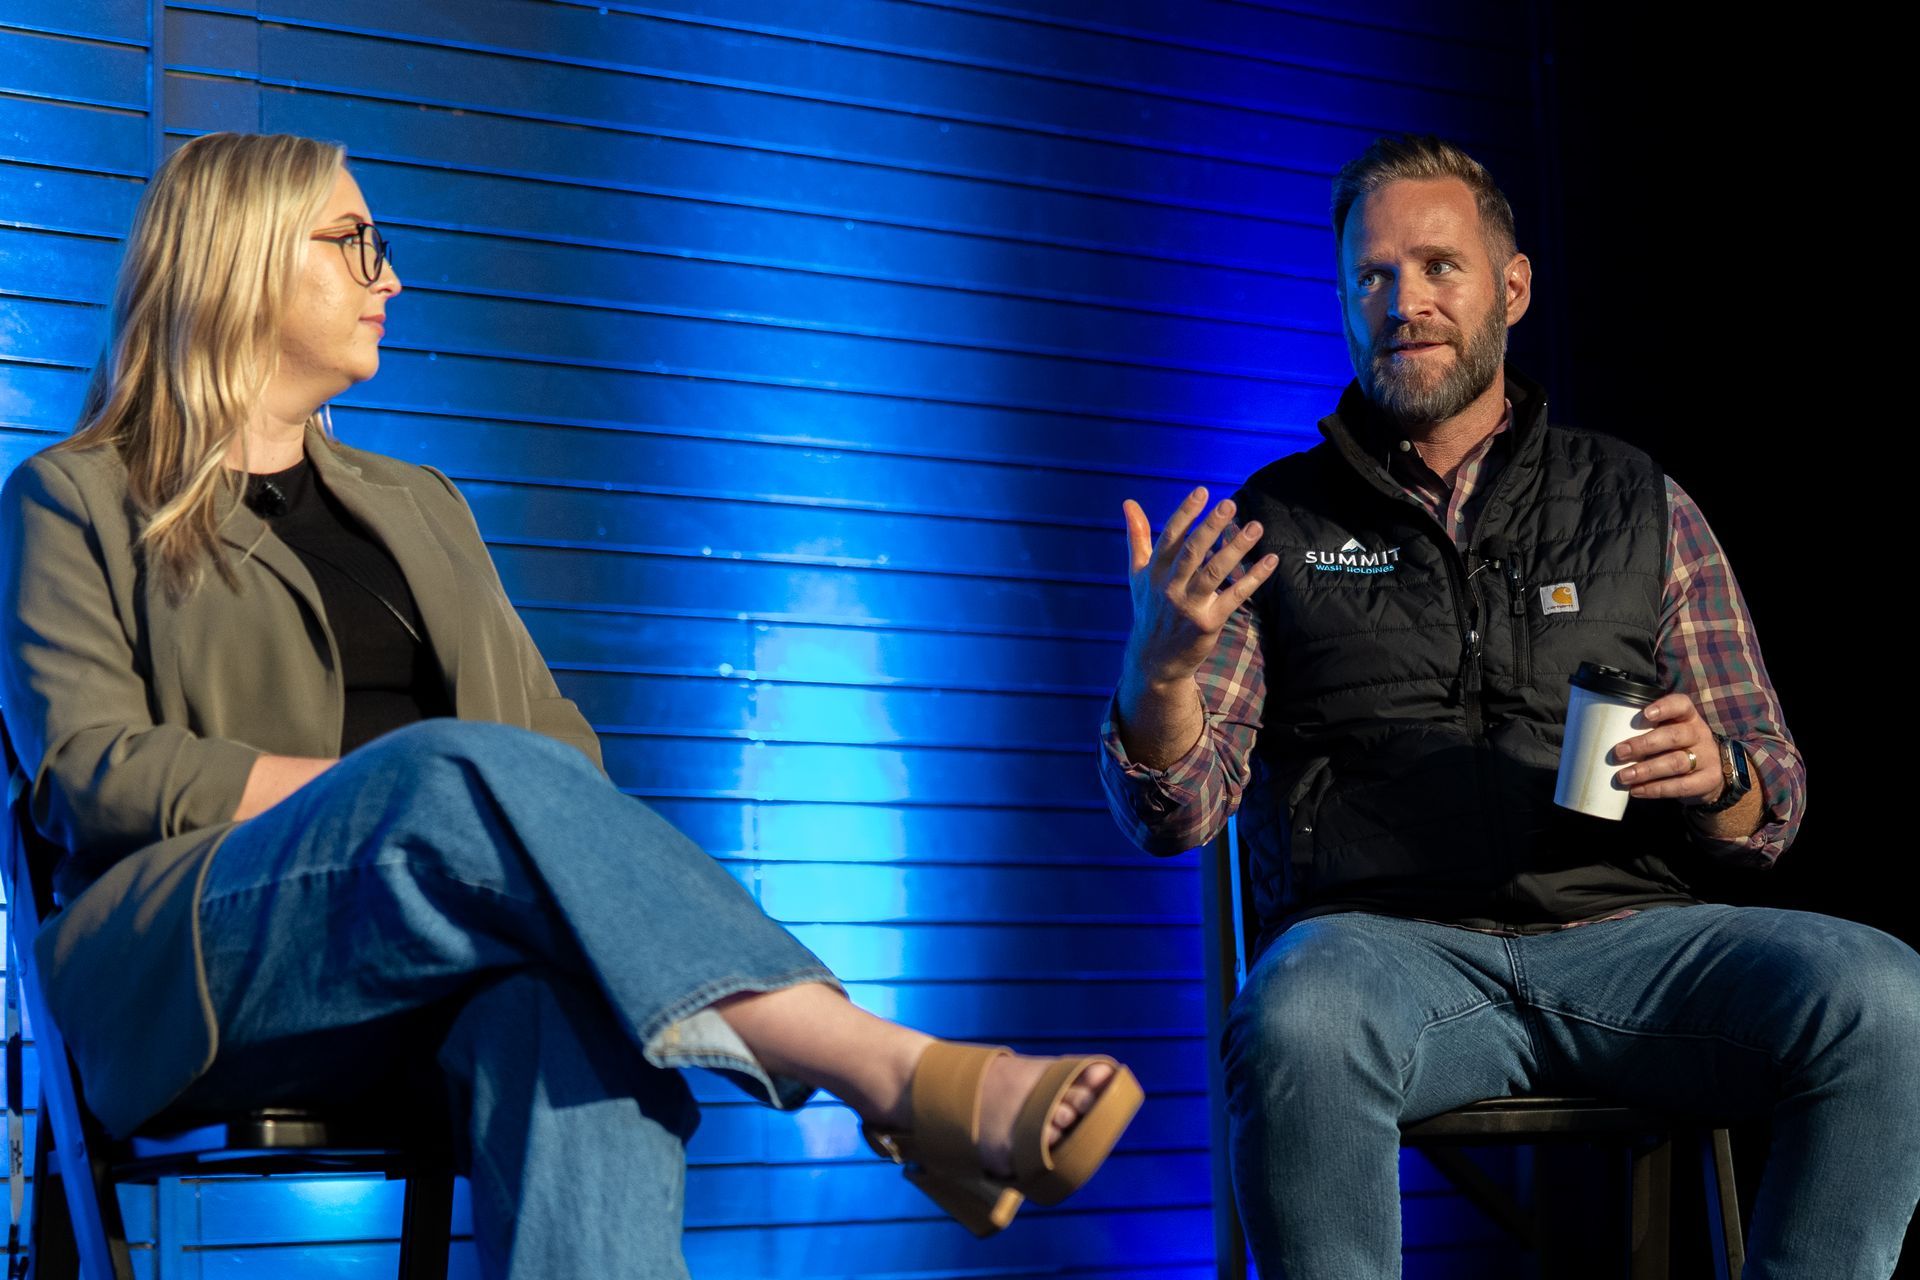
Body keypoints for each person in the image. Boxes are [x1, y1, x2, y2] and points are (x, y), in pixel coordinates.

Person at [0, 131, 1143, 1280]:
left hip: (430, 959)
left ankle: (889, 1079)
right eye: (354, 244)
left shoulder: (422, 505)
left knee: (571, 1023)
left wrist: (433, 811)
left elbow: (556, 750)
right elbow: (90, 771)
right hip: (194, 964)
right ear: (237, 260)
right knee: (441, 775)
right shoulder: (72, 496)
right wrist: (375, 803)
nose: (389, 278)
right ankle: (893, 1072)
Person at [1102, 134, 1920, 1278]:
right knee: (1298, 1014)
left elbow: (1772, 806)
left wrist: (1720, 774)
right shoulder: (1272, 523)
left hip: (1632, 948)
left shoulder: (1641, 502)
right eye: (1374, 276)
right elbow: (1175, 813)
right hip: (1388, 957)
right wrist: (1160, 674)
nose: (1406, 302)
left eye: (1439, 267)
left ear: (1514, 287)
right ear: (1343, 299)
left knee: (1882, 992)